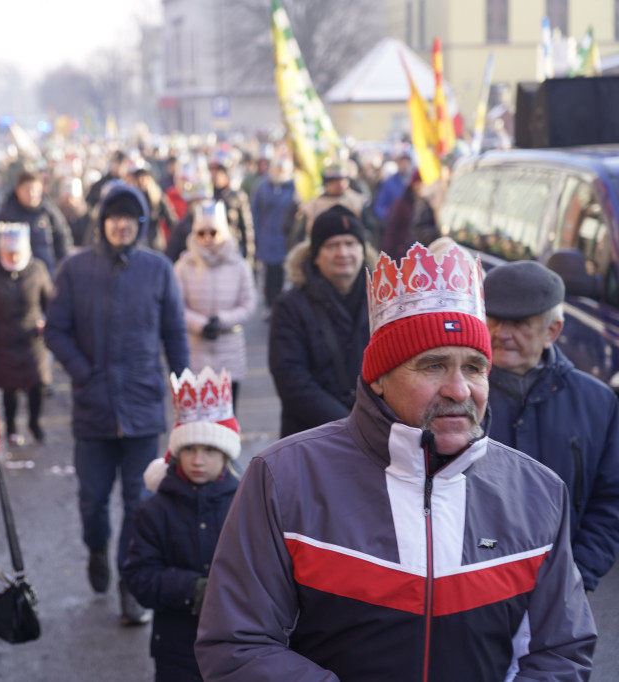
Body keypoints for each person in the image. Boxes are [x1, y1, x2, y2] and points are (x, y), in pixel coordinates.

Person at [196, 242, 597, 680]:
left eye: (475, 367)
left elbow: (560, 649)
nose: (459, 390)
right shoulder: (283, 479)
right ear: (379, 378)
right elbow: (237, 643)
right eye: (433, 366)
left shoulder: (537, 493)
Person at [45, 182, 190, 625]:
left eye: (130, 218)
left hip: (144, 408)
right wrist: (84, 372)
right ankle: (95, 548)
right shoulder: (75, 269)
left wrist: (183, 392)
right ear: (102, 222)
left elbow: (174, 334)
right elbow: (55, 330)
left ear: (141, 224)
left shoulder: (159, 269)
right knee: (93, 500)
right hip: (93, 408)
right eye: (114, 218)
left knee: (139, 502)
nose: (121, 225)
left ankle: (132, 585)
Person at [484, 260, 619, 592]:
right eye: (495, 319)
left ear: (553, 331)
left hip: (560, 590)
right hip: (470, 591)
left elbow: (610, 501)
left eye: (519, 324)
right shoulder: (457, 395)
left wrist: (578, 574)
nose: (502, 334)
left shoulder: (597, 403)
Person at [122, 367, 241, 682]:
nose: (198, 460)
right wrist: (193, 590)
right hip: (176, 650)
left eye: (210, 450)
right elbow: (138, 576)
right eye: (189, 449)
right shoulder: (153, 511)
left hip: (239, 646)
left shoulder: (246, 505)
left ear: (226, 454)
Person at [269, 206, 374, 436]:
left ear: (363, 250)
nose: (343, 253)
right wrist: (349, 426)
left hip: (375, 434)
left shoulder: (383, 301)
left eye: (350, 243)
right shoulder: (290, 306)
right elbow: (292, 381)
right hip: (311, 436)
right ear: (315, 255)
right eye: (332, 245)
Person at [0, 222, 53, 445]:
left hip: (32, 340)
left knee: (37, 384)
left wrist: (50, 324)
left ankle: (34, 423)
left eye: (18, 253)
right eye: (8, 253)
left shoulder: (37, 269)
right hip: (2, 340)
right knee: (10, 389)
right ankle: (10, 427)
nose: (14, 257)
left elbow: (49, 301)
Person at [173, 202, 257, 412]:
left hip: (229, 351)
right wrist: (199, 324)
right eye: (201, 233)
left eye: (213, 232)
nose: (207, 238)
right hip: (195, 352)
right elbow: (176, 306)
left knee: (228, 416)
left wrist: (222, 320)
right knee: (196, 416)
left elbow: (249, 304)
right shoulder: (183, 266)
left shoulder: (239, 265)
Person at [0, 170, 72, 274]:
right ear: (18, 190)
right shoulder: (5, 215)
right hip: (13, 276)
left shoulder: (49, 213)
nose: (31, 194)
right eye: (27, 190)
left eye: (35, 190)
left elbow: (63, 239)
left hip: (46, 273)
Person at [251, 157, 298, 309]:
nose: (279, 172)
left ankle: (279, 304)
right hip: (266, 236)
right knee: (269, 273)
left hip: (284, 237)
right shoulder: (262, 185)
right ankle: (269, 304)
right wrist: (256, 234)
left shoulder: (293, 187)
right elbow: (255, 211)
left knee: (283, 273)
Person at [290, 164, 367, 244]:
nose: (339, 184)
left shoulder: (358, 202)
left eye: (342, 180)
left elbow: (368, 229)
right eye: (334, 181)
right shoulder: (312, 206)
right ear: (326, 183)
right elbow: (297, 235)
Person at [208, 161, 254, 262]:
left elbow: (246, 226)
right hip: (211, 248)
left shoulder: (237, 196)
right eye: (212, 173)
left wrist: (248, 254)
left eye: (218, 173)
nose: (215, 177)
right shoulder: (208, 196)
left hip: (232, 246)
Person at [373, 152, 413, 225]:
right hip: (394, 223)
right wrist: (388, 214)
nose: (405, 166)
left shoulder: (414, 183)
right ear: (398, 164)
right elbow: (379, 207)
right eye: (402, 164)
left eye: (407, 164)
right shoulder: (388, 183)